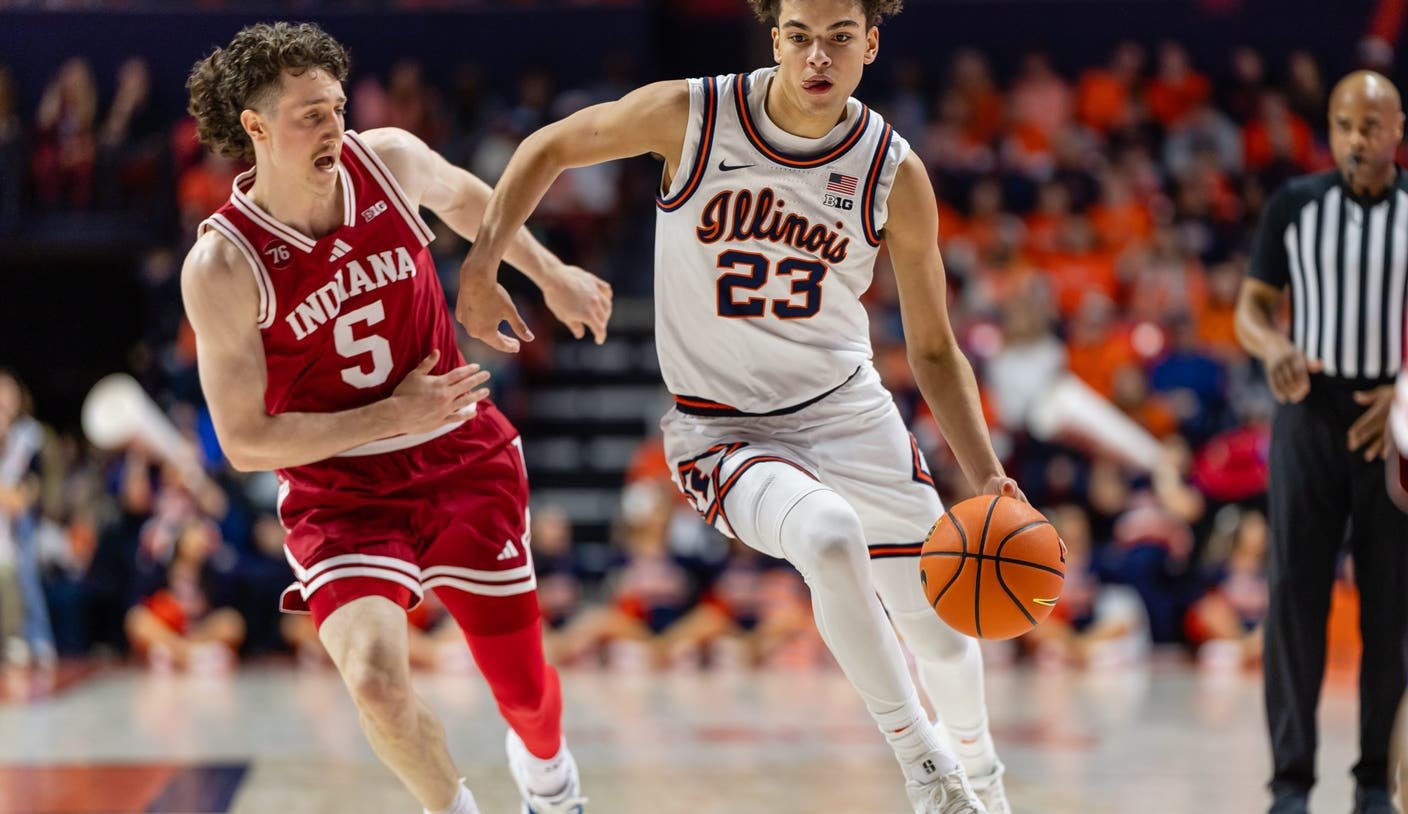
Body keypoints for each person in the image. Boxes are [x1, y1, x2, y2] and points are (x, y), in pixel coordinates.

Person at [456, 2, 1018, 811]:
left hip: (847, 412)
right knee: (829, 536)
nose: (817, 56)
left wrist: (988, 474)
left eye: (839, 37)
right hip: (722, 430)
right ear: (775, 37)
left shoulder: (892, 171)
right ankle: (928, 769)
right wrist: (482, 267)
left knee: (940, 631)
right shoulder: (694, 114)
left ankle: (985, 777)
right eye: (800, 36)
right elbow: (547, 147)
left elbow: (933, 349)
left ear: (870, 43)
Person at [181, 22, 611, 814]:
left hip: (459, 455)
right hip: (340, 491)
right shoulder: (224, 263)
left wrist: (546, 273)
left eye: (338, 107)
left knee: (524, 694)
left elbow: (470, 198)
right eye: (310, 114)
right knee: (376, 684)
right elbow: (243, 441)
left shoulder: (387, 160)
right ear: (256, 127)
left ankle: (550, 778)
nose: (333, 127)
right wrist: (390, 415)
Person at [1236, 70, 1408, 814]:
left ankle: (1373, 782)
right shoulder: (1295, 205)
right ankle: (1290, 784)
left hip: (1392, 418)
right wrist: (1272, 345)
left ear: (1397, 130)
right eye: (1343, 124)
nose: (1355, 138)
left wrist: (1405, 390)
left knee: (1390, 608)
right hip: (1309, 410)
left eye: (1370, 124)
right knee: (1293, 601)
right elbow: (1251, 307)